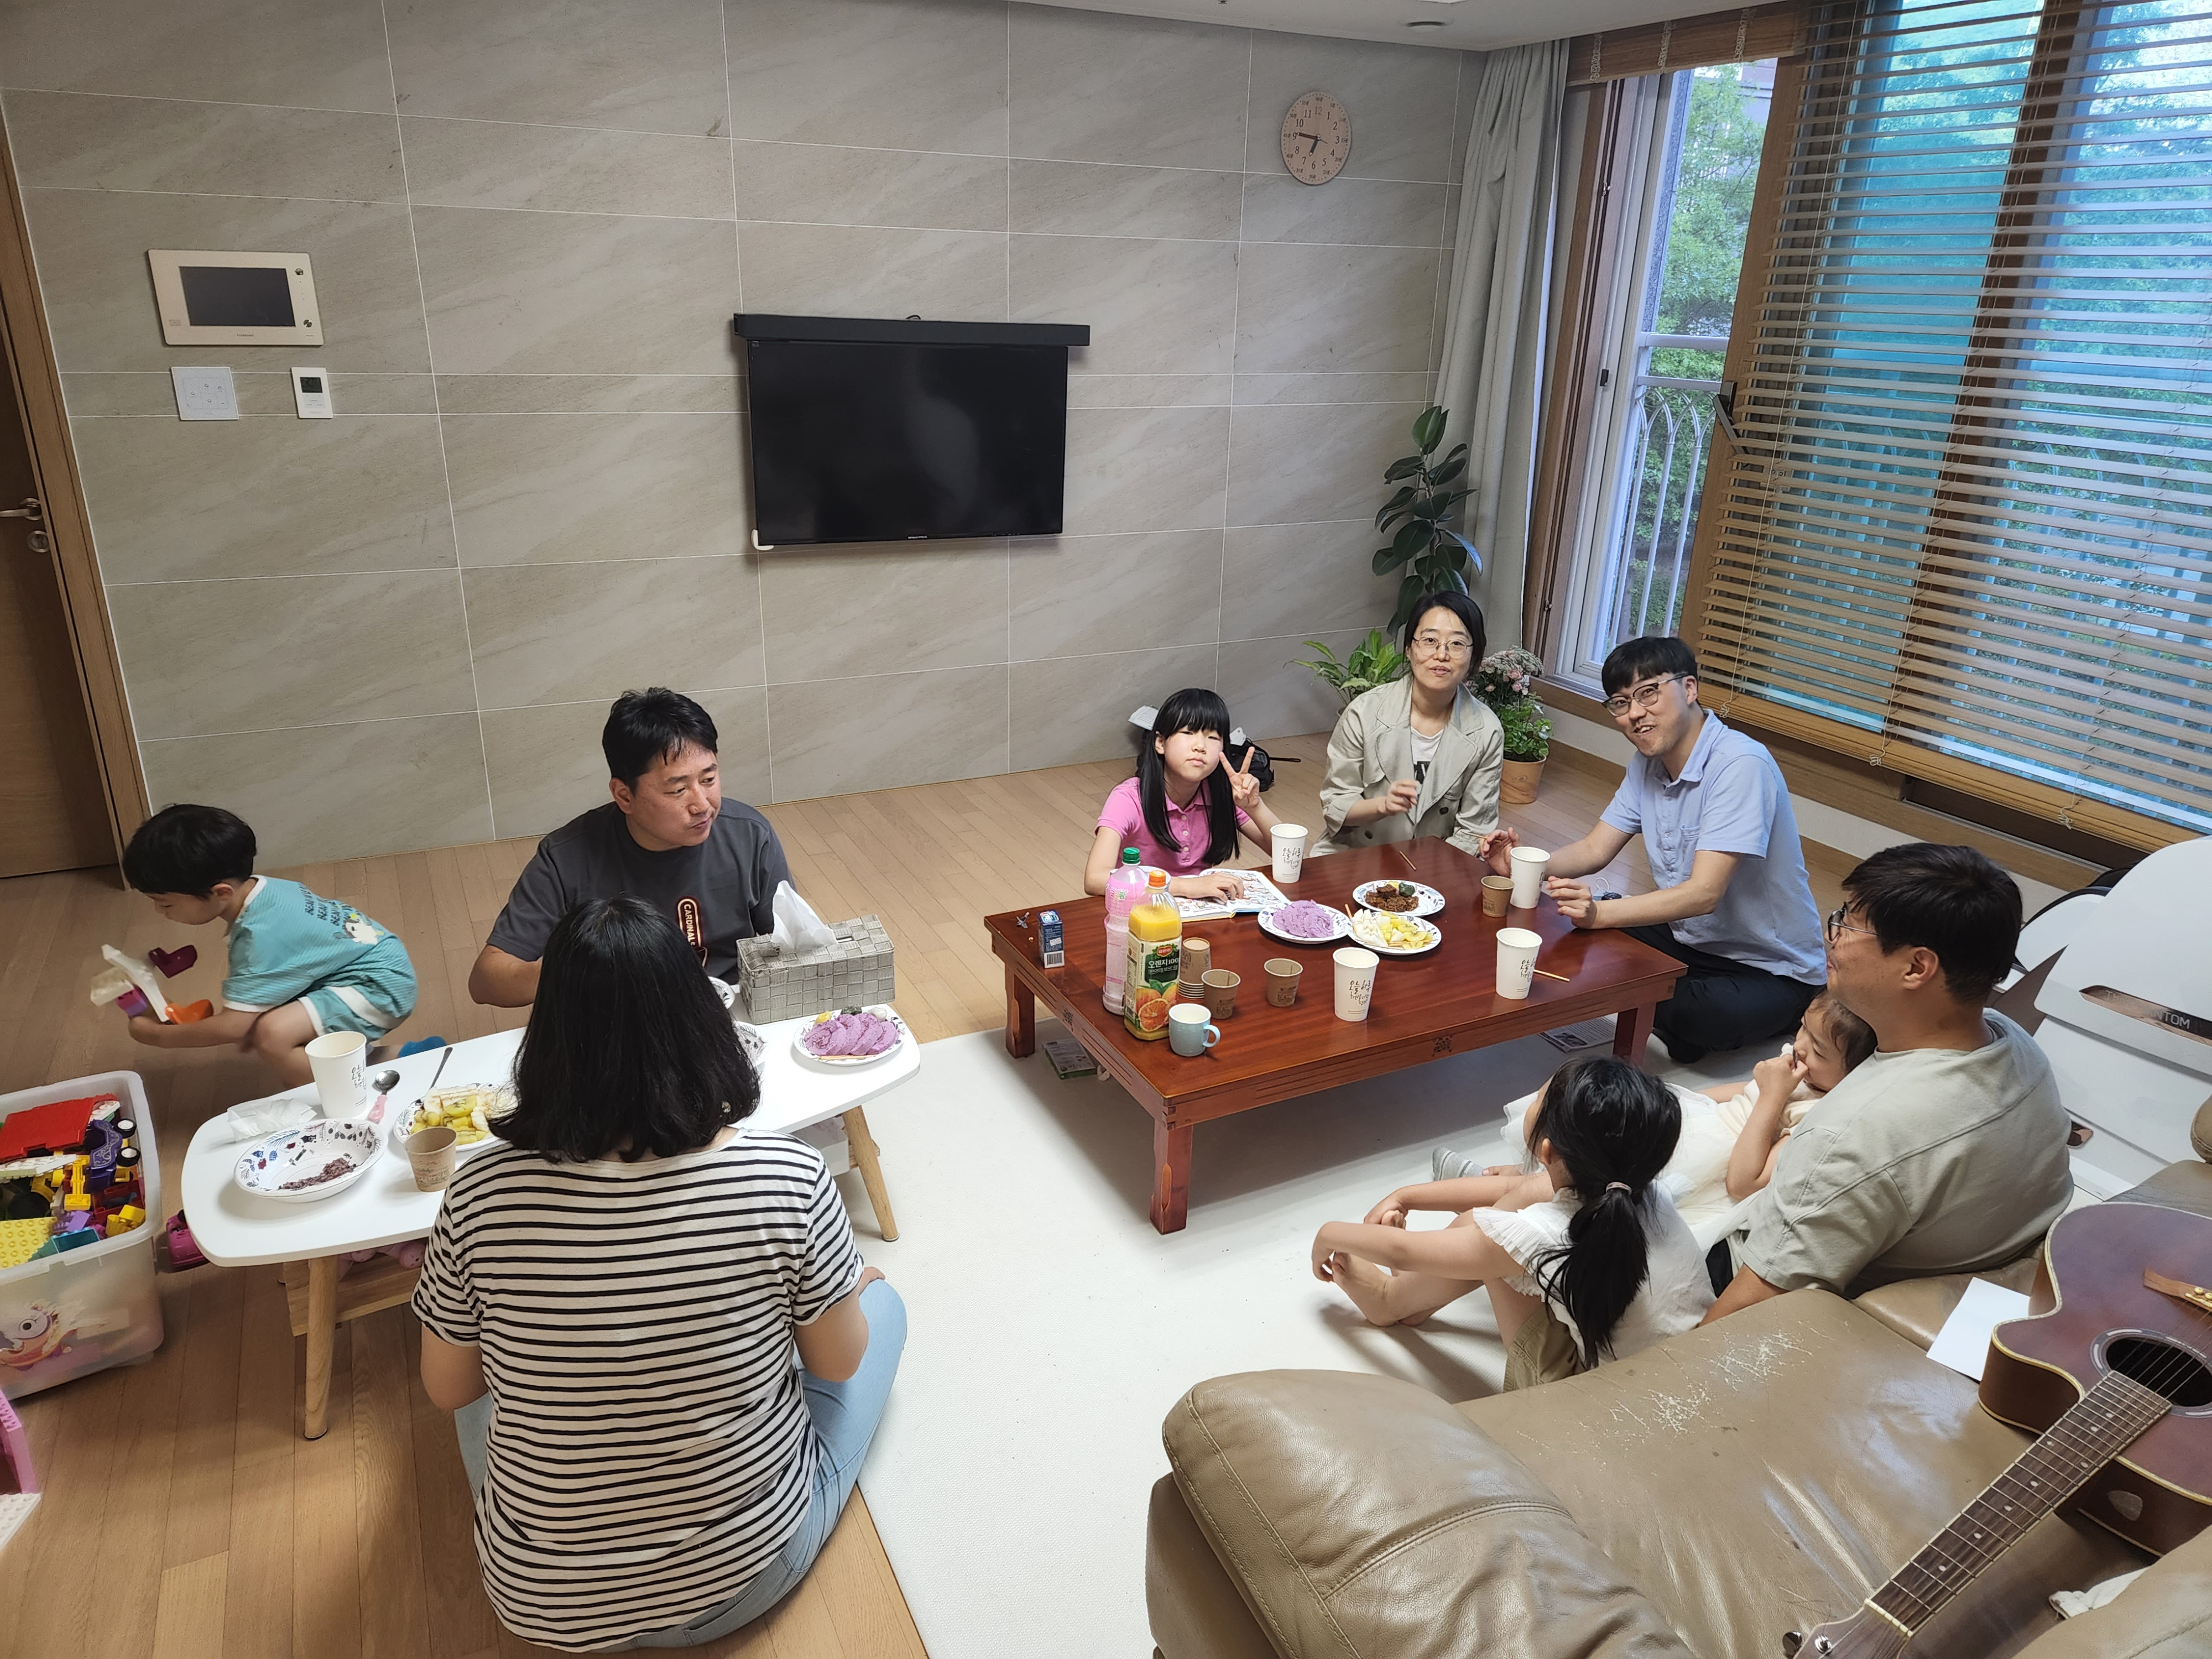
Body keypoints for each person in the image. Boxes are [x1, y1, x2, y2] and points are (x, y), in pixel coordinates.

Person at [415, 896, 906, 1652]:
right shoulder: (786, 1175)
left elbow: (451, 1390)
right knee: (884, 1307)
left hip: (544, 1603)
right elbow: (837, 1364)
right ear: (700, 1020)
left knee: (482, 1386)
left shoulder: (477, 1191)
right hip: (743, 1581)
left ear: (548, 1036)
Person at [1704, 842, 2073, 1323]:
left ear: (1916, 967)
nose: (1833, 937)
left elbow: (1753, 1305)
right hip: (1978, 1268)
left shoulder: (1854, 1133)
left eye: (1848, 924)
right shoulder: (2015, 1042)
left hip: (1819, 1301)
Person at [1480, 635, 1824, 1061]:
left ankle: (1684, 1005)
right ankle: (1658, 997)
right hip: (1688, 938)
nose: (1635, 713)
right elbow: (1594, 850)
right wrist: (1519, 865)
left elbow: (1704, 894)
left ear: (1689, 688)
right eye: (1621, 703)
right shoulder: (1648, 763)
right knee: (1570, 934)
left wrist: (1600, 914)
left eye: (1648, 693)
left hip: (1768, 966)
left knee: (1703, 1015)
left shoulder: (1741, 765)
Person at [1314, 1056, 1714, 1390]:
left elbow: (1402, 1250)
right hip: (1683, 1371)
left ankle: (1390, 1300)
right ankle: (1413, 1295)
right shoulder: (1632, 1184)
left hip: (1586, 1405)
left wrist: (1328, 1234)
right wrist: (1407, 1196)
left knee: (1490, 1230)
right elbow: (1516, 1187)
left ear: (1547, 1151)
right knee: (1499, 1219)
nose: (1532, 1101)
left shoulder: (1540, 1234)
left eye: (1539, 1099)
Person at [1428, 990, 1877, 1243]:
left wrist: (1772, 1098)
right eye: (1802, 1029)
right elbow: (1738, 1092)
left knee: (1574, 1181)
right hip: (1695, 1124)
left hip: (1711, 1164)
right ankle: (1512, 1176)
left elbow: (1744, 1183)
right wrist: (1671, 1101)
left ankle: (1492, 1193)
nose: (1800, 1047)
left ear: (1854, 1072)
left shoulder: (1820, 1113)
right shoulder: (1794, 1065)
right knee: (1577, 1126)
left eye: (1819, 1051)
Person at [471, 688, 791, 1006]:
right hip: (618, 1017)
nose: (702, 805)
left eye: (708, 780)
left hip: (730, 1007)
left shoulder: (749, 835)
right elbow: (487, 981)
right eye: (678, 790)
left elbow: (792, 941)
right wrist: (581, 971)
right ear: (624, 796)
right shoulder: (566, 857)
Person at [118, 804, 417, 1086]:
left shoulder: (260, 938)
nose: (160, 911)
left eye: (165, 903)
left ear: (221, 893)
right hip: (373, 963)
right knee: (266, 1016)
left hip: (377, 988)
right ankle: (401, 1059)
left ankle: (339, 1093)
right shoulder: (264, 889)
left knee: (272, 1035)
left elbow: (233, 1027)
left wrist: (158, 1036)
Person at [1315, 592, 1504, 859]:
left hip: (1435, 862)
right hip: (1357, 854)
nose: (1441, 655)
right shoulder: (1365, 713)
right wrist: (1382, 806)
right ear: (1409, 648)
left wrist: (1427, 876)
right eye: (1430, 641)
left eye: (1457, 644)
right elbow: (1336, 806)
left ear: (1474, 657)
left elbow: (1474, 831)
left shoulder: (1486, 731)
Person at [1084, 688, 1281, 902]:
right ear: (1160, 743)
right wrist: (1185, 886)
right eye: (1188, 733)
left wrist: (1256, 807)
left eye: (1213, 737)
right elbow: (1095, 879)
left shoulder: (1221, 795)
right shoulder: (1129, 798)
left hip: (1201, 908)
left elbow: (1286, 857)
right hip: (1142, 909)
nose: (1200, 746)